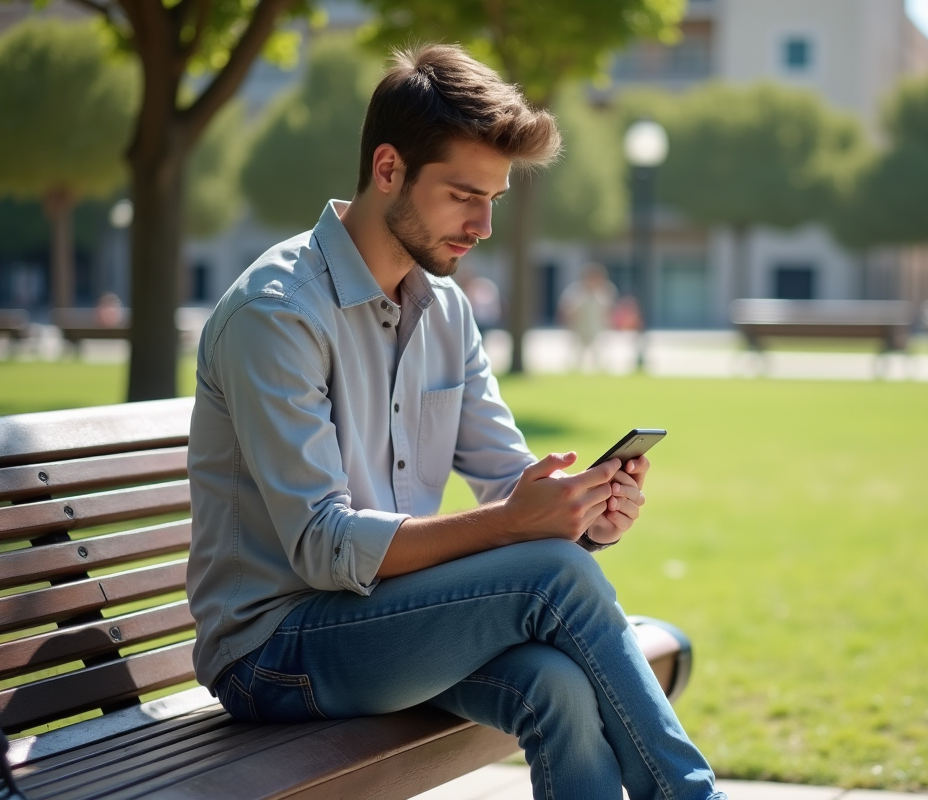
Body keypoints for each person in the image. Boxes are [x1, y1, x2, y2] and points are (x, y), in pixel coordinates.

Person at [185, 44, 723, 800]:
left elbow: (509, 483)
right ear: (388, 169)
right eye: (464, 195)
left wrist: (583, 513)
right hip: (273, 650)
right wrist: (516, 526)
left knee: (557, 685)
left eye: (494, 199)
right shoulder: (277, 313)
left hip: (390, 619)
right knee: (553, 574)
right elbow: (322, 547)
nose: (484, 225)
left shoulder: (445, 309)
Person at [558, 262, 618, 372]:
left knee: (600, 352)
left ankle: (601, 372)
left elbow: (609, 310)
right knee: (576, 353)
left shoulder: (606, 290)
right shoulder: (575, 291)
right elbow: (567, 309)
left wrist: (609, 324)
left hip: (597, 327)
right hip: (579, 327)